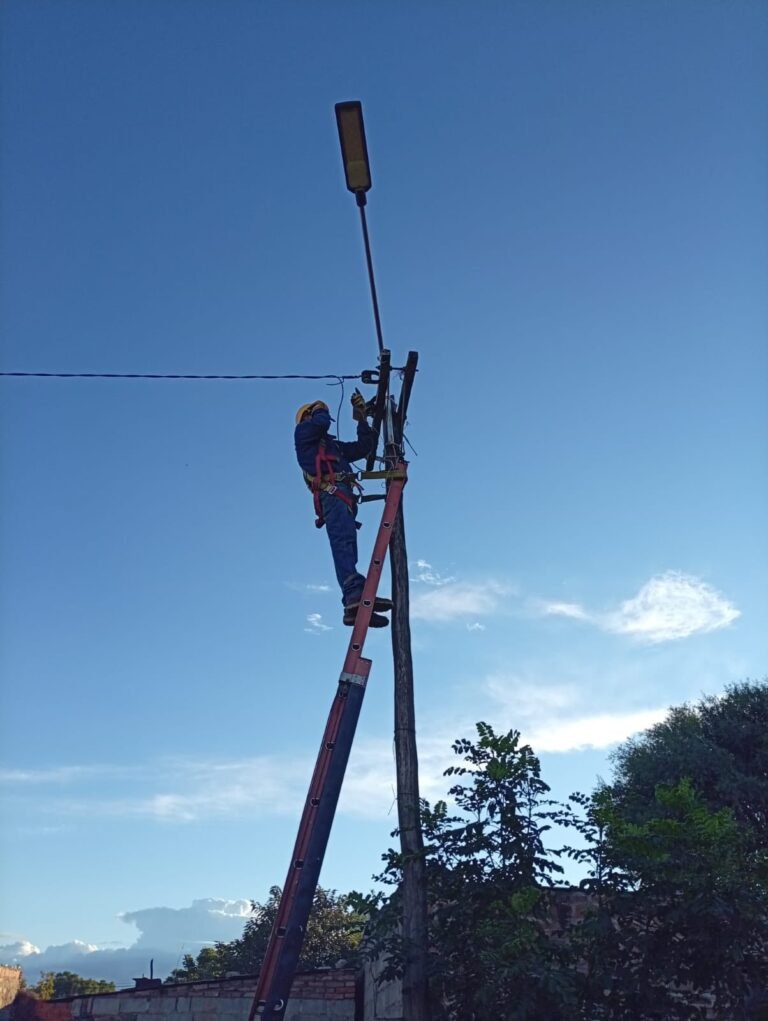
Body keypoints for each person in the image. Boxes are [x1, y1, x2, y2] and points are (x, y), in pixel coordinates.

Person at [294, 390, 392, 627]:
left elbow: (364, 447)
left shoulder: (332, 446)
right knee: (342, 544)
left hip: (343, 496)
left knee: (347, 543)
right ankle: (352, 595)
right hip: (332, 494)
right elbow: (321, 421)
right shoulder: (304, 434)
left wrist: (361, 420)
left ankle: (355, 602)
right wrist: (320, 408)